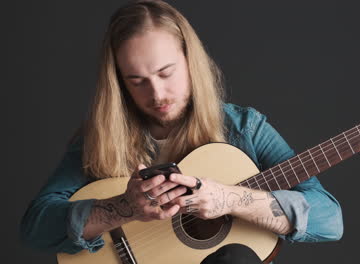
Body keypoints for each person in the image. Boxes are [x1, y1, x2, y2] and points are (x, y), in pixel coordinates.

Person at [20, 0, 343, 263]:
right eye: (137, 81)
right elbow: (36, 228)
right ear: (119, 83)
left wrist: (231, 199)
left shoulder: (244, 128)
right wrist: (124, 207)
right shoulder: (102, 138)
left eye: (166, 72)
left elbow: (329, 220)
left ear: (190, 61)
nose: (157, 94)